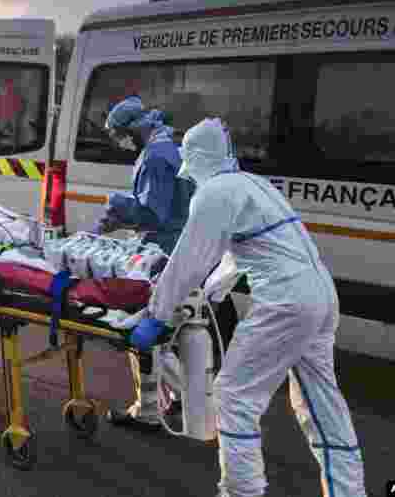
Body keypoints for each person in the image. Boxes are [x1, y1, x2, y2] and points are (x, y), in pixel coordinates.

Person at [131, 118, 366, 497]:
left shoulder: (214, 194)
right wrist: (211, 295)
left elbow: (189, 259)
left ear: (198, 161)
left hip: (286, 302)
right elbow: (236, 255)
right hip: (320, 296)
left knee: (234, 395)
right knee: (320, 404)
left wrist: (157, 315)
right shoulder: (253, 185)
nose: (189, 180)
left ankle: (242, 492)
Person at [93, 95, 198, 433]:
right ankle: (166, 403)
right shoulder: (169, 145)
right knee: (161, 334)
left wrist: (117, 207)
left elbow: (153, 212)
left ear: (133, 129)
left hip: (165, 250)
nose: (121, 142)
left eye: (119, 135)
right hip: (177, 247)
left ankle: (168, 403)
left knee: (140, 331)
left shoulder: (154, 156)